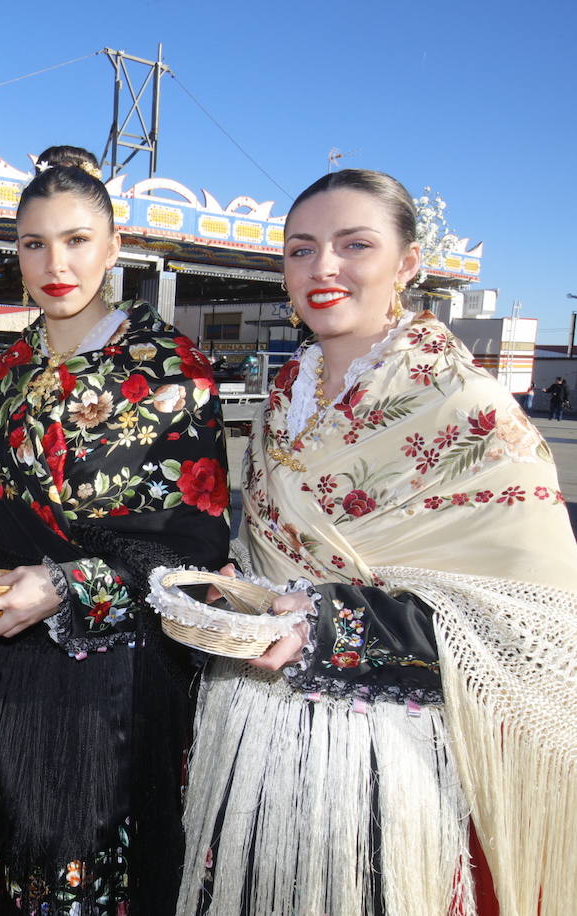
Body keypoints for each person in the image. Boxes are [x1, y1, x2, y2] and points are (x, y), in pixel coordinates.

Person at [177, 169, 577, 916]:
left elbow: (533, 620)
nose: (322, 268)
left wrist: (329, 622)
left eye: (353, 244)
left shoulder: (468, 409)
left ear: (407, 264)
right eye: (301, 250)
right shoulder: (279, 403)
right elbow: (270, 552)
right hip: (259, 732)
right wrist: (240, 589)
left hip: (389, 758)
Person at [0, 145, 230, 915]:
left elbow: (194, 550)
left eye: (77, 240)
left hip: (104, 681)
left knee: (79, 877)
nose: (53, 263)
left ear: (115, 246)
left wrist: (65, 584)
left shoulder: (171, 371)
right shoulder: (2, 372)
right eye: (33, 243)